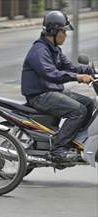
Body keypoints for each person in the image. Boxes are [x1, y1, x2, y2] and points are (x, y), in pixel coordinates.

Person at [21, 11, 94, 162]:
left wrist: (92, 71)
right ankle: (58, 148)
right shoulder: (39, 51)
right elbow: (52, 74)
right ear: (53, 31)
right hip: (40, 96)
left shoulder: (53, 49)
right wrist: (78, 77)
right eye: (63, 31)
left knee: (88, 103)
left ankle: (73, 139)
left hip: (52, 91)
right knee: (78, 111)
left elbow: (70, 67)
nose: (66, 35)